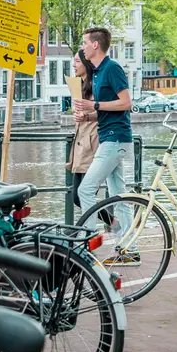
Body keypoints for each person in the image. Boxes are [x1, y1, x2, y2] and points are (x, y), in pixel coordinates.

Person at [73, 27, 137, 265]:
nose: (83, 47)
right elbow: (105, 110)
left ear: (95, 45)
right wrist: (88, 117)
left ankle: (87, 247)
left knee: (85, 190)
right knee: (118, 196)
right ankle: (128, 249)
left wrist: (94, 107)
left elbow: (126, 103)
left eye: (85, 43)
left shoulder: (112, 69)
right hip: (109, 136)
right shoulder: (98, 73)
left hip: (115, 139)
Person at [66, 50, 112, 226]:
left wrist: (87, 115)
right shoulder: (80, 86)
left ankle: (92, 232)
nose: (74, 65)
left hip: (92, 144)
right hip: (80, 145)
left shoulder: (96, 87)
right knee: (77, 196)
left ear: (86, 64)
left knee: (82, 194)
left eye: (77, 61)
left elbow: (105, 113)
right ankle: (110, 223)